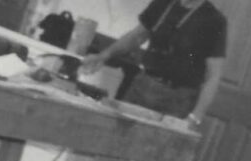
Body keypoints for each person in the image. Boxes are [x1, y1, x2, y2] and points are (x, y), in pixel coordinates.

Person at [82, 0, 227, 128]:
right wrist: (104, 55)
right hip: (142, 86)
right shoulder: (163, 3)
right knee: (114, 139)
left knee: (152, 147)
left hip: (176, 100)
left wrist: (195, 117)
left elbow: (213, 76)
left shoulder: (214, 20)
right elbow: (136, 36)